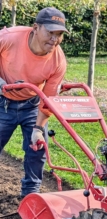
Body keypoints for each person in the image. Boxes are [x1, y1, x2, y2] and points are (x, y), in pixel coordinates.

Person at [0, 7, 68, 198]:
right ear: (36, 28)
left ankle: (31, 196)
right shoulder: (9, 38)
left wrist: (38, 129)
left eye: (59, 34)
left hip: (31, 104)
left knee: (37, 150)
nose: (55, 39)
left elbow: (48, 98)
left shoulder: (58, 60)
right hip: (2, 102)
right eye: (50, 32)